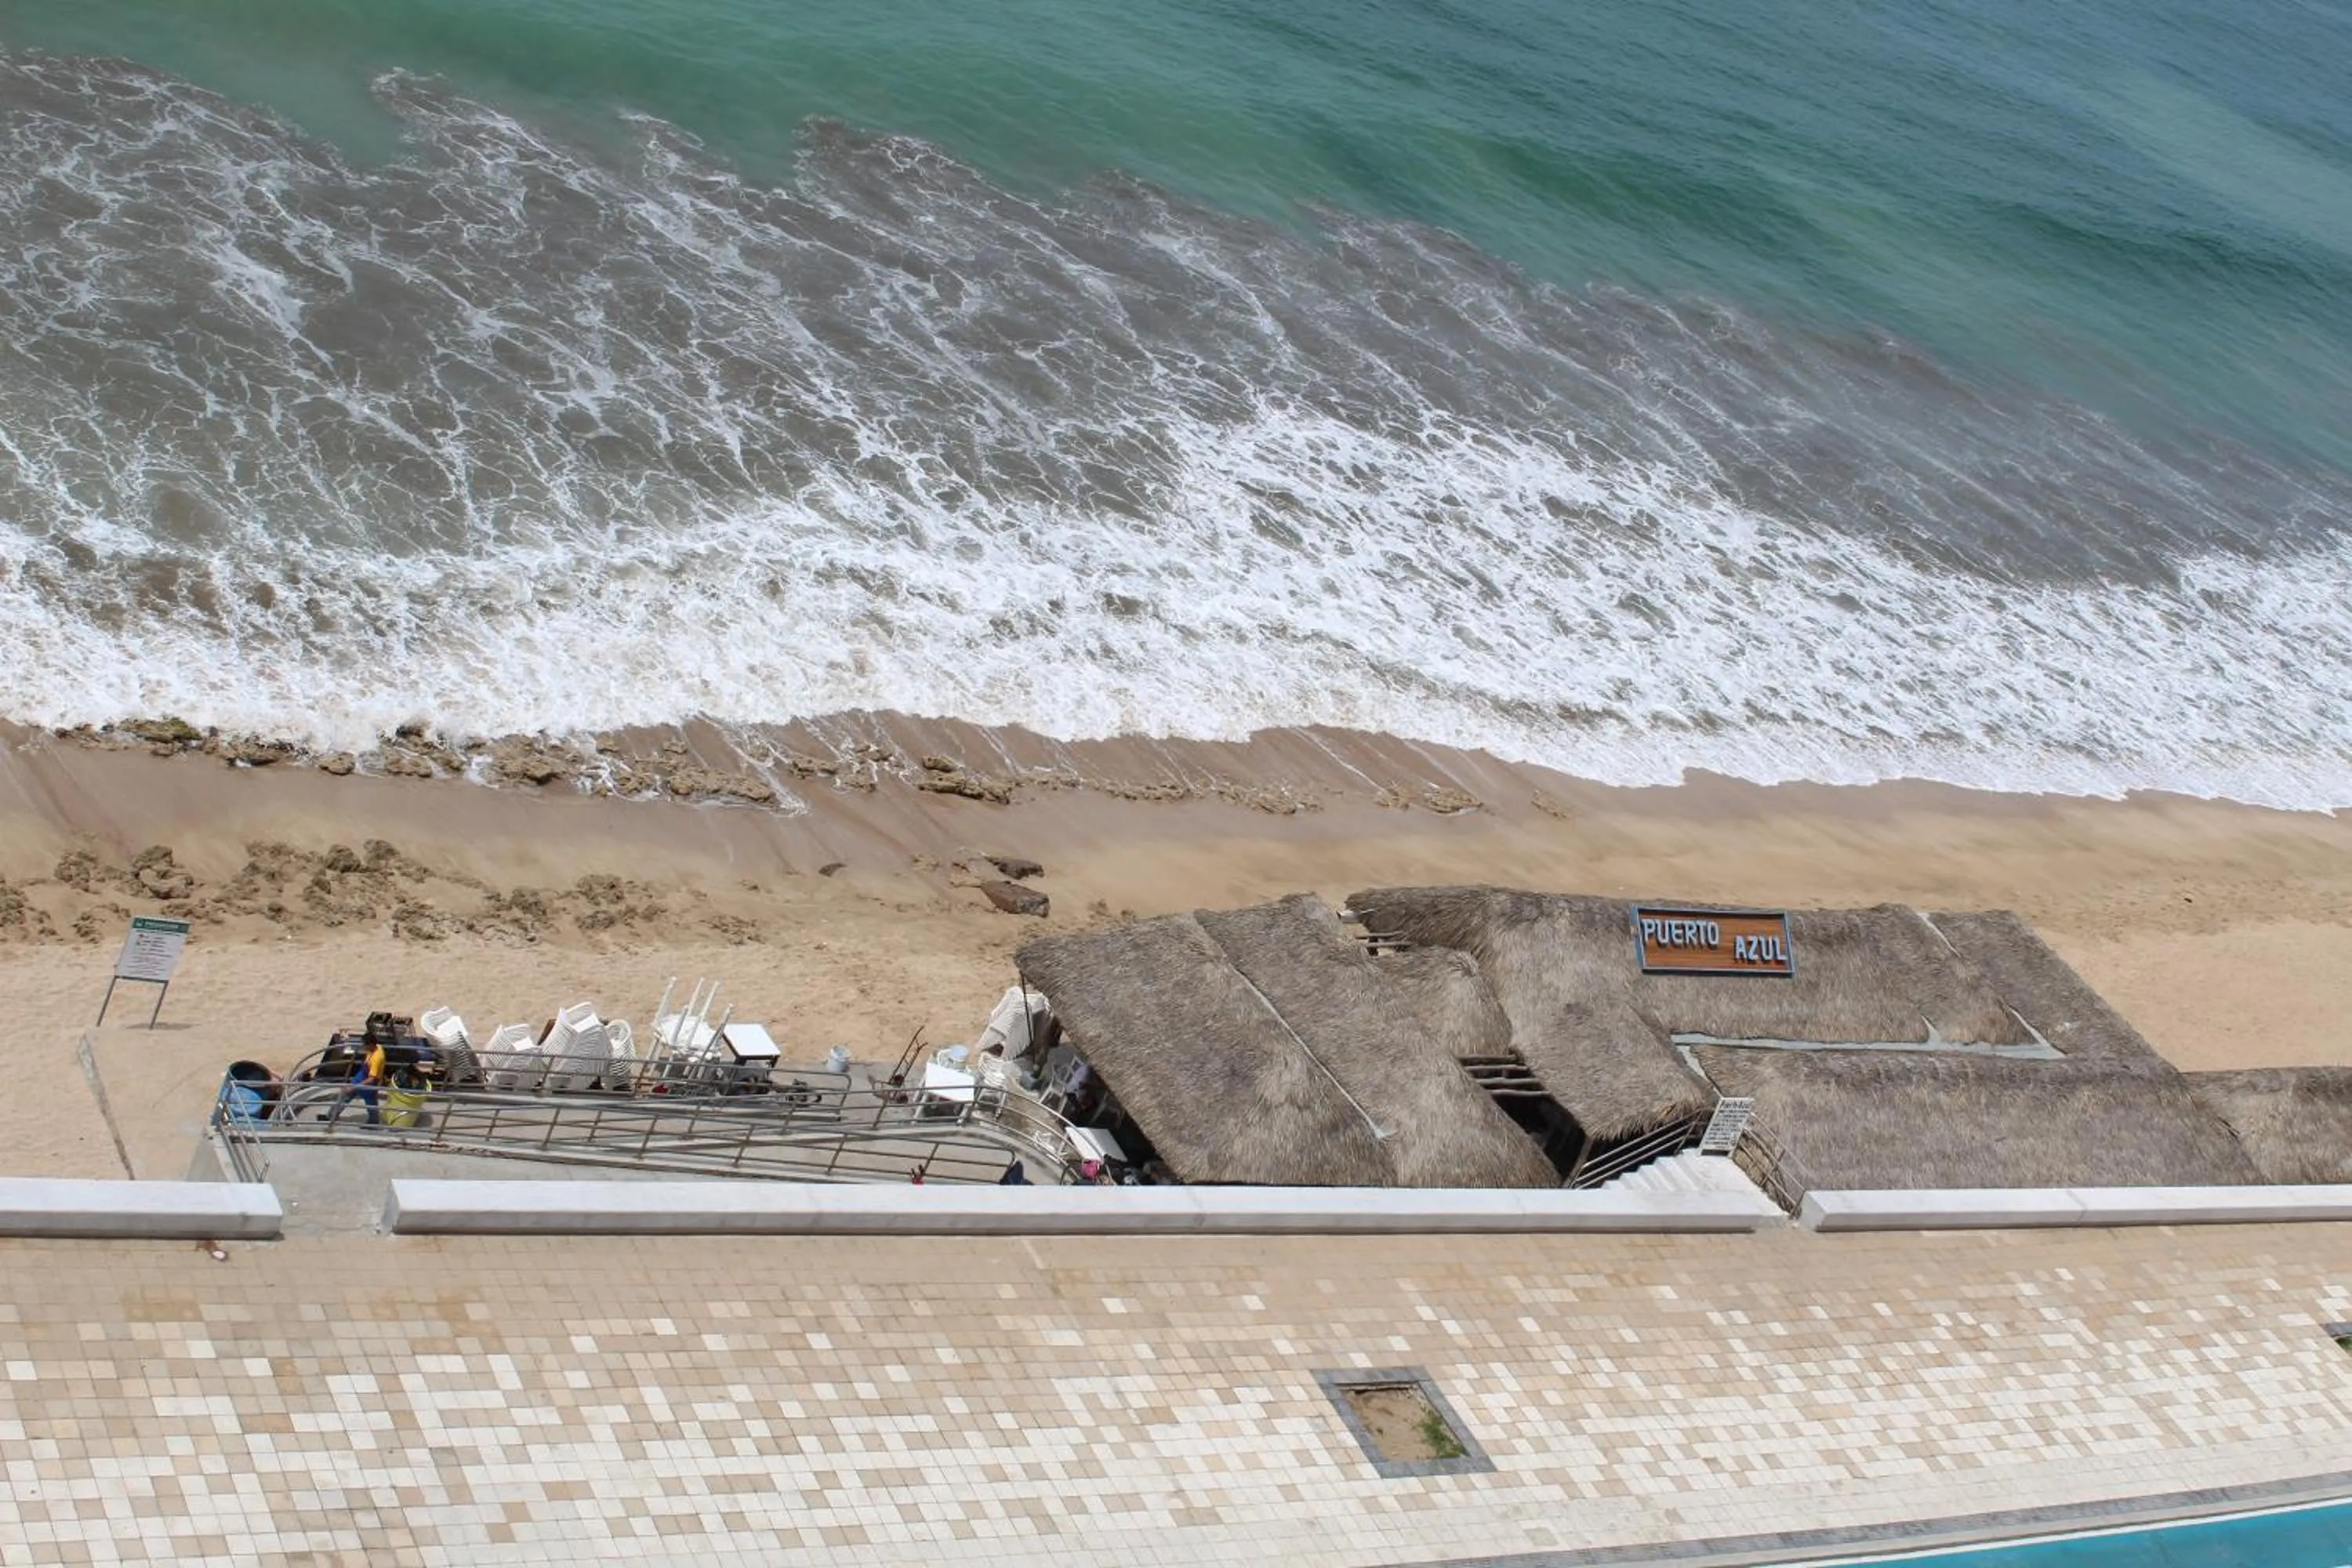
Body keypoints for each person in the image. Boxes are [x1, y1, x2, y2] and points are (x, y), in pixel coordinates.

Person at [328, 1038, 387, 1127]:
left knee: (371, 1102)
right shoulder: (377, 1046)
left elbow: (371, 1079)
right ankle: (331, 1116)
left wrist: (354, 1087)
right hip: (363, 1075)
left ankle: (374, 1122)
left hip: (369, 1082)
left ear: (371, 1045)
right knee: (346, 1095)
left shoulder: (376, 1059)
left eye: (365, 1045)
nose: (364, 1047)